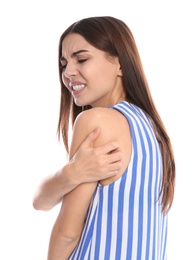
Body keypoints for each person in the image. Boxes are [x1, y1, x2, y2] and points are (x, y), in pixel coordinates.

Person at [34, 16, 176, 260]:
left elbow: (67, 234)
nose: (68, 72)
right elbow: (40, 201)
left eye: (82, 59)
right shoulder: (154, 129)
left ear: (119, 63)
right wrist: (71, 173)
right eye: (64, 63)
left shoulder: (96, 121)